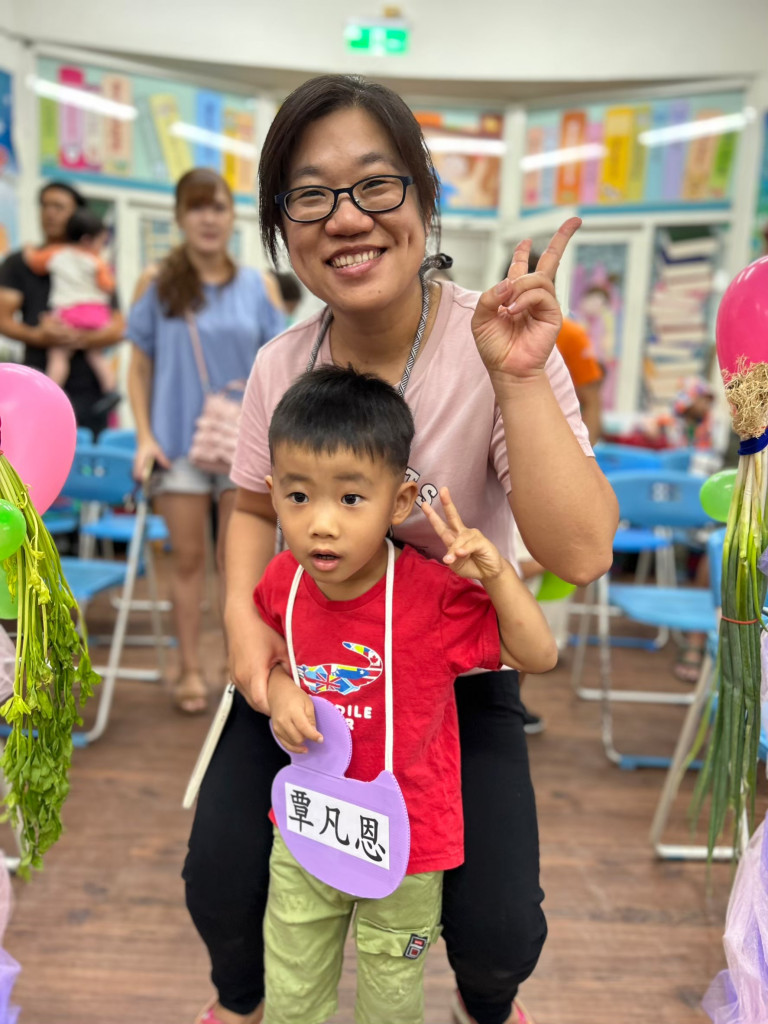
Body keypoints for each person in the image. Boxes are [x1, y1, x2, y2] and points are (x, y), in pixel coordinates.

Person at [184, 74, 617, 1024]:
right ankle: (245, 1004)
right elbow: (250, 508)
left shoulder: (498, 340)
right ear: (282, 226)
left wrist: (518, 380)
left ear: (424, 197)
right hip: (314, 670)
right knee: (219, 879)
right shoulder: (280, 363)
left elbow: (582, 554)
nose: (347, 218)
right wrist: (247, 645)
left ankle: (485, 1004)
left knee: (501, 932)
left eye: (377, 184)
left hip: (450, 680)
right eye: (309, 195)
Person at [258, 365, 557, 1024]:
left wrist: (496, 574)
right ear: (273, 494)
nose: (322, 524)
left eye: (351, 498)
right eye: (299, 496)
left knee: (392, 996)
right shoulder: (284, 581)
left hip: (408, 841)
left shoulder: (432, 598)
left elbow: (539, 655)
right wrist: (278, 688)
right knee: (292, 990)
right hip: (308, 825)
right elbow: (273, 650)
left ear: (399, 503)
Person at [127, 168, 285, 715]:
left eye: (217, 207)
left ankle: (233, 666)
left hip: (246, 446)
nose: (208, 218)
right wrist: (145, 436)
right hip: (177, 444)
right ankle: (190, 668)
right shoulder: (156, 284)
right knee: (188, 560)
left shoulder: (258, 286)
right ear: (179, 217)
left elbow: (280, 369)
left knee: (237, 565)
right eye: (196, 208)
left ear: (230, 215)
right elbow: (139, 367)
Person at [0, 181, 125, 435]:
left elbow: (119, 326)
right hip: (37, 381)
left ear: (77, 214)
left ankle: (110, 390)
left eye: (59, 207)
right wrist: (39, 336)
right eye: (45, 206)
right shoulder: (19, 263)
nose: (50, 213)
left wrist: (80, 338)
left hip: (90, 393)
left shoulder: (94, 261)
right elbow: (3, 318)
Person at [23, 207, 120, 413]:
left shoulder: (57, 253)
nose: (101, 247)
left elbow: (35, 263)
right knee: (96, 355)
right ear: (87, 240)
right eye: (100, 242)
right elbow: (108, 285)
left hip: (69, 313)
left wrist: (29, 250)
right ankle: (111, 390)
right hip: (95, 313)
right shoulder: (96, 261)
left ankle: (50, 393)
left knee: (58, 356)